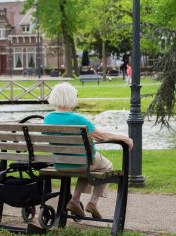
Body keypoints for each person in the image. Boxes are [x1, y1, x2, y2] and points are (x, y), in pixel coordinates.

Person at [44, 82, 133, 219]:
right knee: (106, 165)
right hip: (82, 163)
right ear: (71, 98)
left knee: (86, 165)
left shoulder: (48, 118)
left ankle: (75, 200)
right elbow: (102, 136)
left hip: (60, 163)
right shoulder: (78, 119)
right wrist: (124, 138)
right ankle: (93, 202)